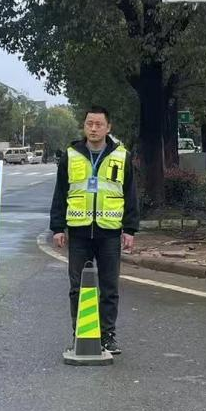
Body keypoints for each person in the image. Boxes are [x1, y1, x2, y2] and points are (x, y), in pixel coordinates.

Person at [50, 106, 139, 354]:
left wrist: (130, 229)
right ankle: (80, 334)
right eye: (89, 123)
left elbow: (130, 193)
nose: (93, 128)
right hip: (78, 232)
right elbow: (60, 192)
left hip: (109, 232)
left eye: (99, 124)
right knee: (77, 288)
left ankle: (107, 336)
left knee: (109, 288)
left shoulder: (121, 156)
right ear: (84, 126)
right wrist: (57, 227)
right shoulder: (71, 155)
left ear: (108, 127)